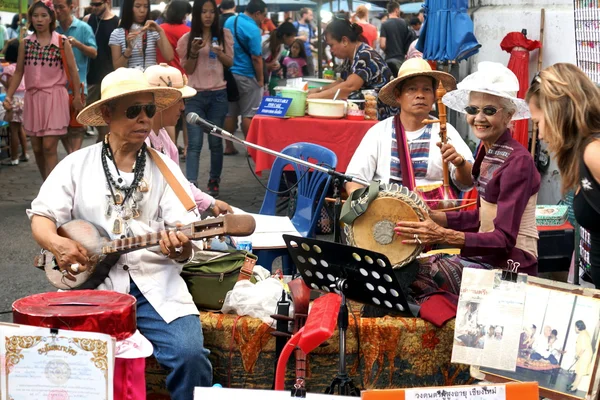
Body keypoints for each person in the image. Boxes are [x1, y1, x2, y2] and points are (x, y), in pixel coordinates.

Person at [28, 68, 212, 400]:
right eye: (133, 111)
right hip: (92, 288)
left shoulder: (165, 168)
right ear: (108, 115)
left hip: (156, 286)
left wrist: (179, 249)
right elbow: (41, 218)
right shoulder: (76, 165)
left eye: (149, 110)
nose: (144, 119)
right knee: (69, 363)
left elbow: (188, 237)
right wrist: (58, 243)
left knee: (190, 356)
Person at [394, 62, 540, 300]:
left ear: (509, 115)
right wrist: (434, 217)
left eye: (489, 111)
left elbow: (503, 240)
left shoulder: (518, 162)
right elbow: (482, 217)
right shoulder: (488, 150)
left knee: (413, 277)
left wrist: (442, 234)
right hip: (485, 257)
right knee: (403, 268)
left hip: (512, 267)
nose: (478, 118)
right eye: (472, 110)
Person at [345, 58, 473, 195]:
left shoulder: (445, 131)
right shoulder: (379, 132)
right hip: (387, 211)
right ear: (398, 95)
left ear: (434, 96)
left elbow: (468, 181)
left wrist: (459, 163)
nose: (420, 95)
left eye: (427, 89)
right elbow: (355, 180)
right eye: (412, 89)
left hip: (435, 213)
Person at [526, 63, 600, 288]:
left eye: (538, 123)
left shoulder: (593, 151)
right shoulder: (584, 152)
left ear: (556, 112)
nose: (539, 135)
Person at [3, 0, 82, 180]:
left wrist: (77, 96)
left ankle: (53, 195)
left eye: (43, 16)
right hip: (32, 98)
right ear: (30, 18)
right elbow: (19, 72)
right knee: (37, 148)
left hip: (55, 97)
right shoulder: (26, 43)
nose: (39, 20)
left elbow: (73, 71)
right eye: (35, 16)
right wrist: (8, 95)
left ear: (51, 18)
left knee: (49, 146)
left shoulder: (62, 42)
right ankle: (47, 185)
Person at [144, 63, 233, 215]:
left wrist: (211, 203)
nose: (183, 107)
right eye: (179, 100)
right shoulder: (141, 141)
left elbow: (179, 183)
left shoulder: (165, 139)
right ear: (160, 102)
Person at [179, 0, 234, 198]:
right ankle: (191, 184)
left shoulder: (224, 35)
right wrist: (194, 51)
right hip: (195, 95)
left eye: (211, 12)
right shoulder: (187, 39)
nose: (208, 16)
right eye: (204, 12)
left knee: (215, 142)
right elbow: (188, 70)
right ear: (197, 14)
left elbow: (230, 63)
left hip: (218, 94)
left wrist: (219, 53)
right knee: (194, 143)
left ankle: (214, 180)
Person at [307, 18, 396, 120]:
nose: (331, 50)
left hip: (383, 116)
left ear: (344, 41)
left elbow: (349, 86)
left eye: (332, 45)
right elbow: (341, 82)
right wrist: (317, 91)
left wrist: (315, 97)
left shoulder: (365, 55)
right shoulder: (350, 58)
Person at [222, 0, 267, 155]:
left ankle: (228, 146)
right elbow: (256, 58)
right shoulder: (253, 29)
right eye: (264, 15)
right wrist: (260, 80)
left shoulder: (230, 20)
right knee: (248, 113)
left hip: (229, 74)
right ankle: (250, 149)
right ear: (257, 13)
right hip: (247, 75)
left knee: (230, 113)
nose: (264, 19)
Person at [55, 0, 98, 154]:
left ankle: (73, 156)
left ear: (71, 8)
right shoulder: (53, 29)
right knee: (61, 127)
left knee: (77, 126)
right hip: (58, 86)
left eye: (61, 7)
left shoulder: (83, 28)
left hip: (78, 83)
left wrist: (78, 44)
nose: (58, 11)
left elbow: (94, 53)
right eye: (55, 7)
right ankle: (72, 157)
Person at [84, 0, 119, 143]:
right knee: (92, 117)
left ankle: (102, 148)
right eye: (92, 4)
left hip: (110, 77)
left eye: (98, 4)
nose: (94, 7)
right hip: (91, 76)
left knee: (106, 120)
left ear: (107, 2)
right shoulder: (88, 19)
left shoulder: (117, 22)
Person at [109, 0, 174, 70]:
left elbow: (169, 57)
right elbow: (117, 68)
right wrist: (128, 50)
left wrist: (161, 31)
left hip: (150, 79)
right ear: (128, 8)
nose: (142, 10)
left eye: (146, 7)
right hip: (129, 80)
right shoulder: (117, 34)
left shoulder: (152, 31)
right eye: (137, 6)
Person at [0, 39, 29, 166]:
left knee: (13, 131)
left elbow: (11, 85)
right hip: (24, 99)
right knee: (20, 128)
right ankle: (24, 153)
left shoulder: (10, 69)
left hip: (14, 100)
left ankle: (14, 157)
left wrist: (2, 80)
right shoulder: (24, 66)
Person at [380, 1, 415, 76]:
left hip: (389, 59)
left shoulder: (384, 24)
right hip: (402, 59)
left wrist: (387, 50)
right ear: (396, 10)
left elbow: (382, 44)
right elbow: (409, 40)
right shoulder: (404, 23)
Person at [157, 0, 191, 73]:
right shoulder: (188, 32)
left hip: (161, 72)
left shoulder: (159, 29)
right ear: (184, 14)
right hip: (181, 74)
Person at [569, 320, 593, 392]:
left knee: (580, 372)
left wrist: (578, 356)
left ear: (578, 327)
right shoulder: (584, 332)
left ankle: (574, 387)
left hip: (584, 355)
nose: (575, 328)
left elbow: (583, 348)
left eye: (575, 327)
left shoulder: (583, 335)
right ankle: (574, 384)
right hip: (585, 355)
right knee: (578, 370)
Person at [293, 7, 315, 76]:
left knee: (310, 74)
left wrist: (311, 44)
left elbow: (309, 39)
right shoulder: (295, 25)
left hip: (308, 54)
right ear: (304, 15)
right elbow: (289, 39)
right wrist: (299, 38)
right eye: (310, 15)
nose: (312, 17)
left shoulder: (309, 26)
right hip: (297, 54)